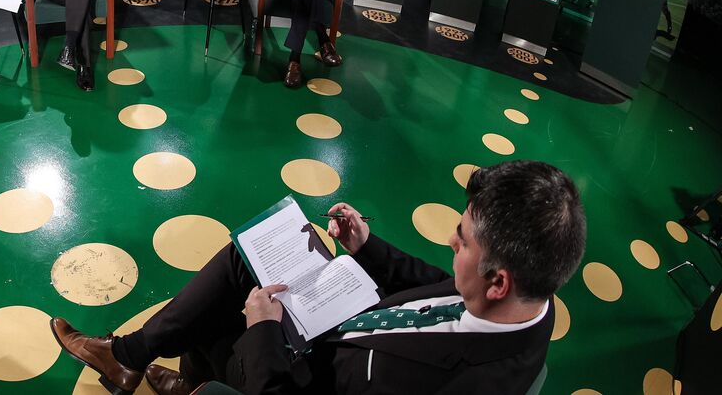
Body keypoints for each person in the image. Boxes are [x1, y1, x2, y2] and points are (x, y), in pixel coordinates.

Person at [51, 160, 586, 395]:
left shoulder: (452, 386)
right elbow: (431, 285)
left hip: (305, 375)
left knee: (223, 313)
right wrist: (365, 246)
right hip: (341, 325)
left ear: (498, 282)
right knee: (245, 259)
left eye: (463, 241)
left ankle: (166, 371)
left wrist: (264, 330)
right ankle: (134, 358)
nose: (451, 242)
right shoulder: (528, 301)